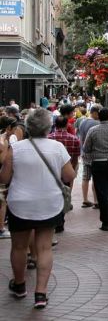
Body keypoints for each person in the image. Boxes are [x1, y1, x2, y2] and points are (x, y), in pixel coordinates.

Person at [1, 108, 76, 309]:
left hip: (20, 204)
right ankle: (41, 293)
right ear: (47, 127)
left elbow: (4, 178)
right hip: (49, 203)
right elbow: (69, 176)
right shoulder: (57, 147)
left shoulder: (15, 148)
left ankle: (19, 285)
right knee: (44, 248)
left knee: (18, 246)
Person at [83, 108, 108, 231]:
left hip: (98, 164)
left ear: (98, 117)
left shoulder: (93, 131)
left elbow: (86, 148)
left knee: (102, 192)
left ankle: (106, 222)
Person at [78, 104, 102, 209]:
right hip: (95, 154)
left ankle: (85, 199)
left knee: (85, 177)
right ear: (95, 113)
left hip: (85, 153)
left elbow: (80, 136)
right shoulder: (97, 123)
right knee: (96, 177)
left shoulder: (83, 122)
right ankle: (96, 201)